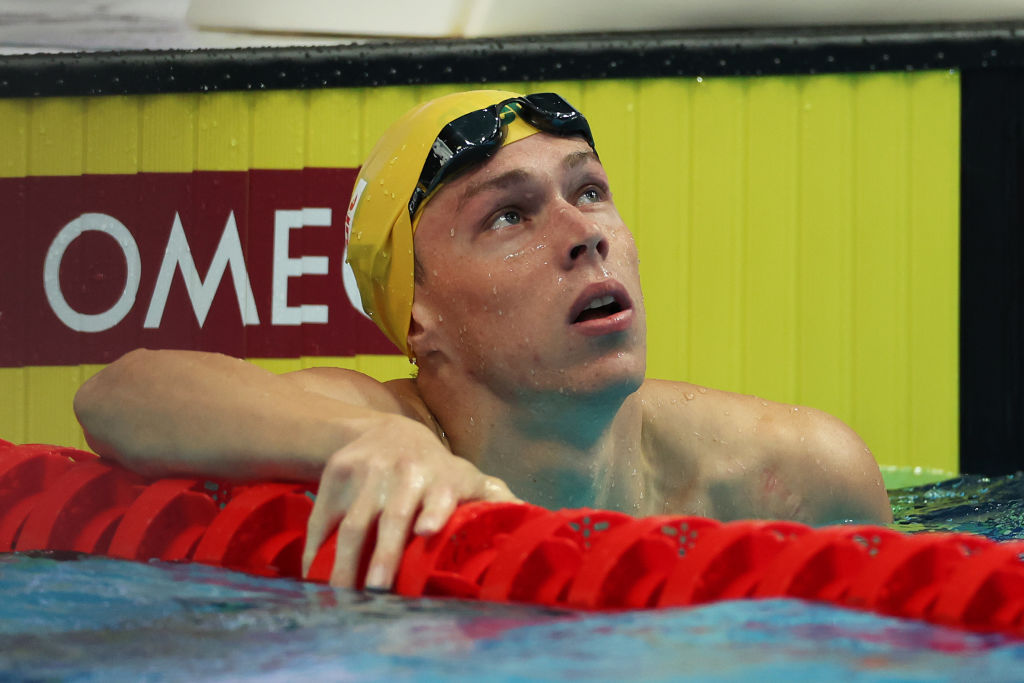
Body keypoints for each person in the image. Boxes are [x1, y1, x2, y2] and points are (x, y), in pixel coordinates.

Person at [74, 90, 893, 592]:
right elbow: (119, 394)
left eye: (591, 191)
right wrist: (367, 438)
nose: (584, 235)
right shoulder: (393, 431)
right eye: (510, 215)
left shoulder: (796, 480)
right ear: (419, 321)